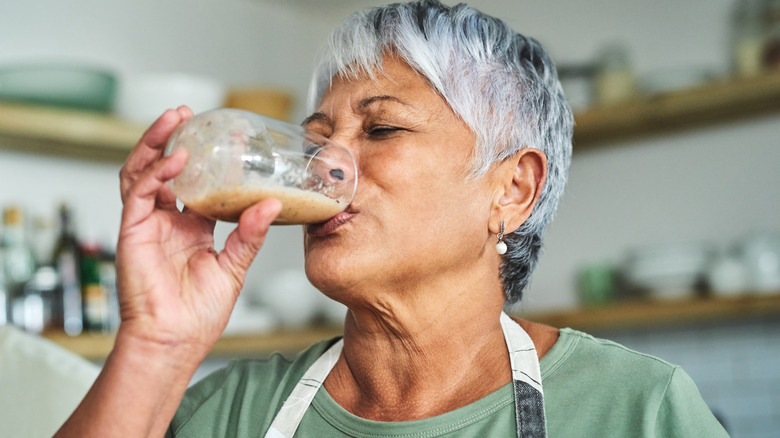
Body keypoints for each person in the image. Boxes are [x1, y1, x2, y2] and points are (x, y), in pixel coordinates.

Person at [56, 1, 728, 437]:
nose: (328, 167)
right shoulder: (231, 414)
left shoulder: (635, 410)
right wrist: (157, 347)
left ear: (512, 190)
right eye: (318, 137)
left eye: (381, 129)